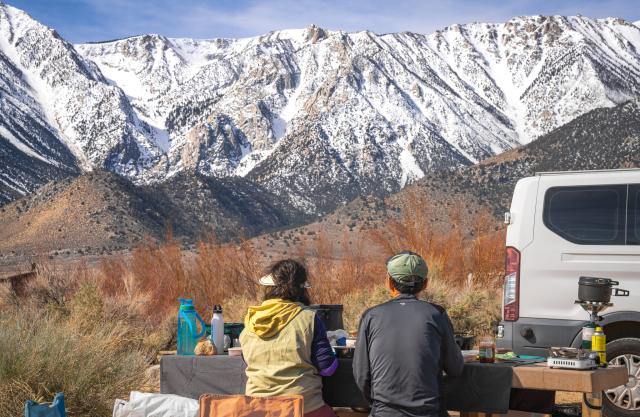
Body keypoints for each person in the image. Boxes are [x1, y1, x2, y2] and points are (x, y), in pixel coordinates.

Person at [353, 251, 464, 417]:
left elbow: (362, 375)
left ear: (390, 283)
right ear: (425, 283)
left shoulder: (371, 316)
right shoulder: (436, 314)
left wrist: (379, 405)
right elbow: (455, 368)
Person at [239, 259, 338, 417]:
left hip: (257, 409)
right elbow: (327, 368)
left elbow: (247, 360)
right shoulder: (308, 318)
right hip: (303, 407)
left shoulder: (250, 322)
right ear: (302, 290)